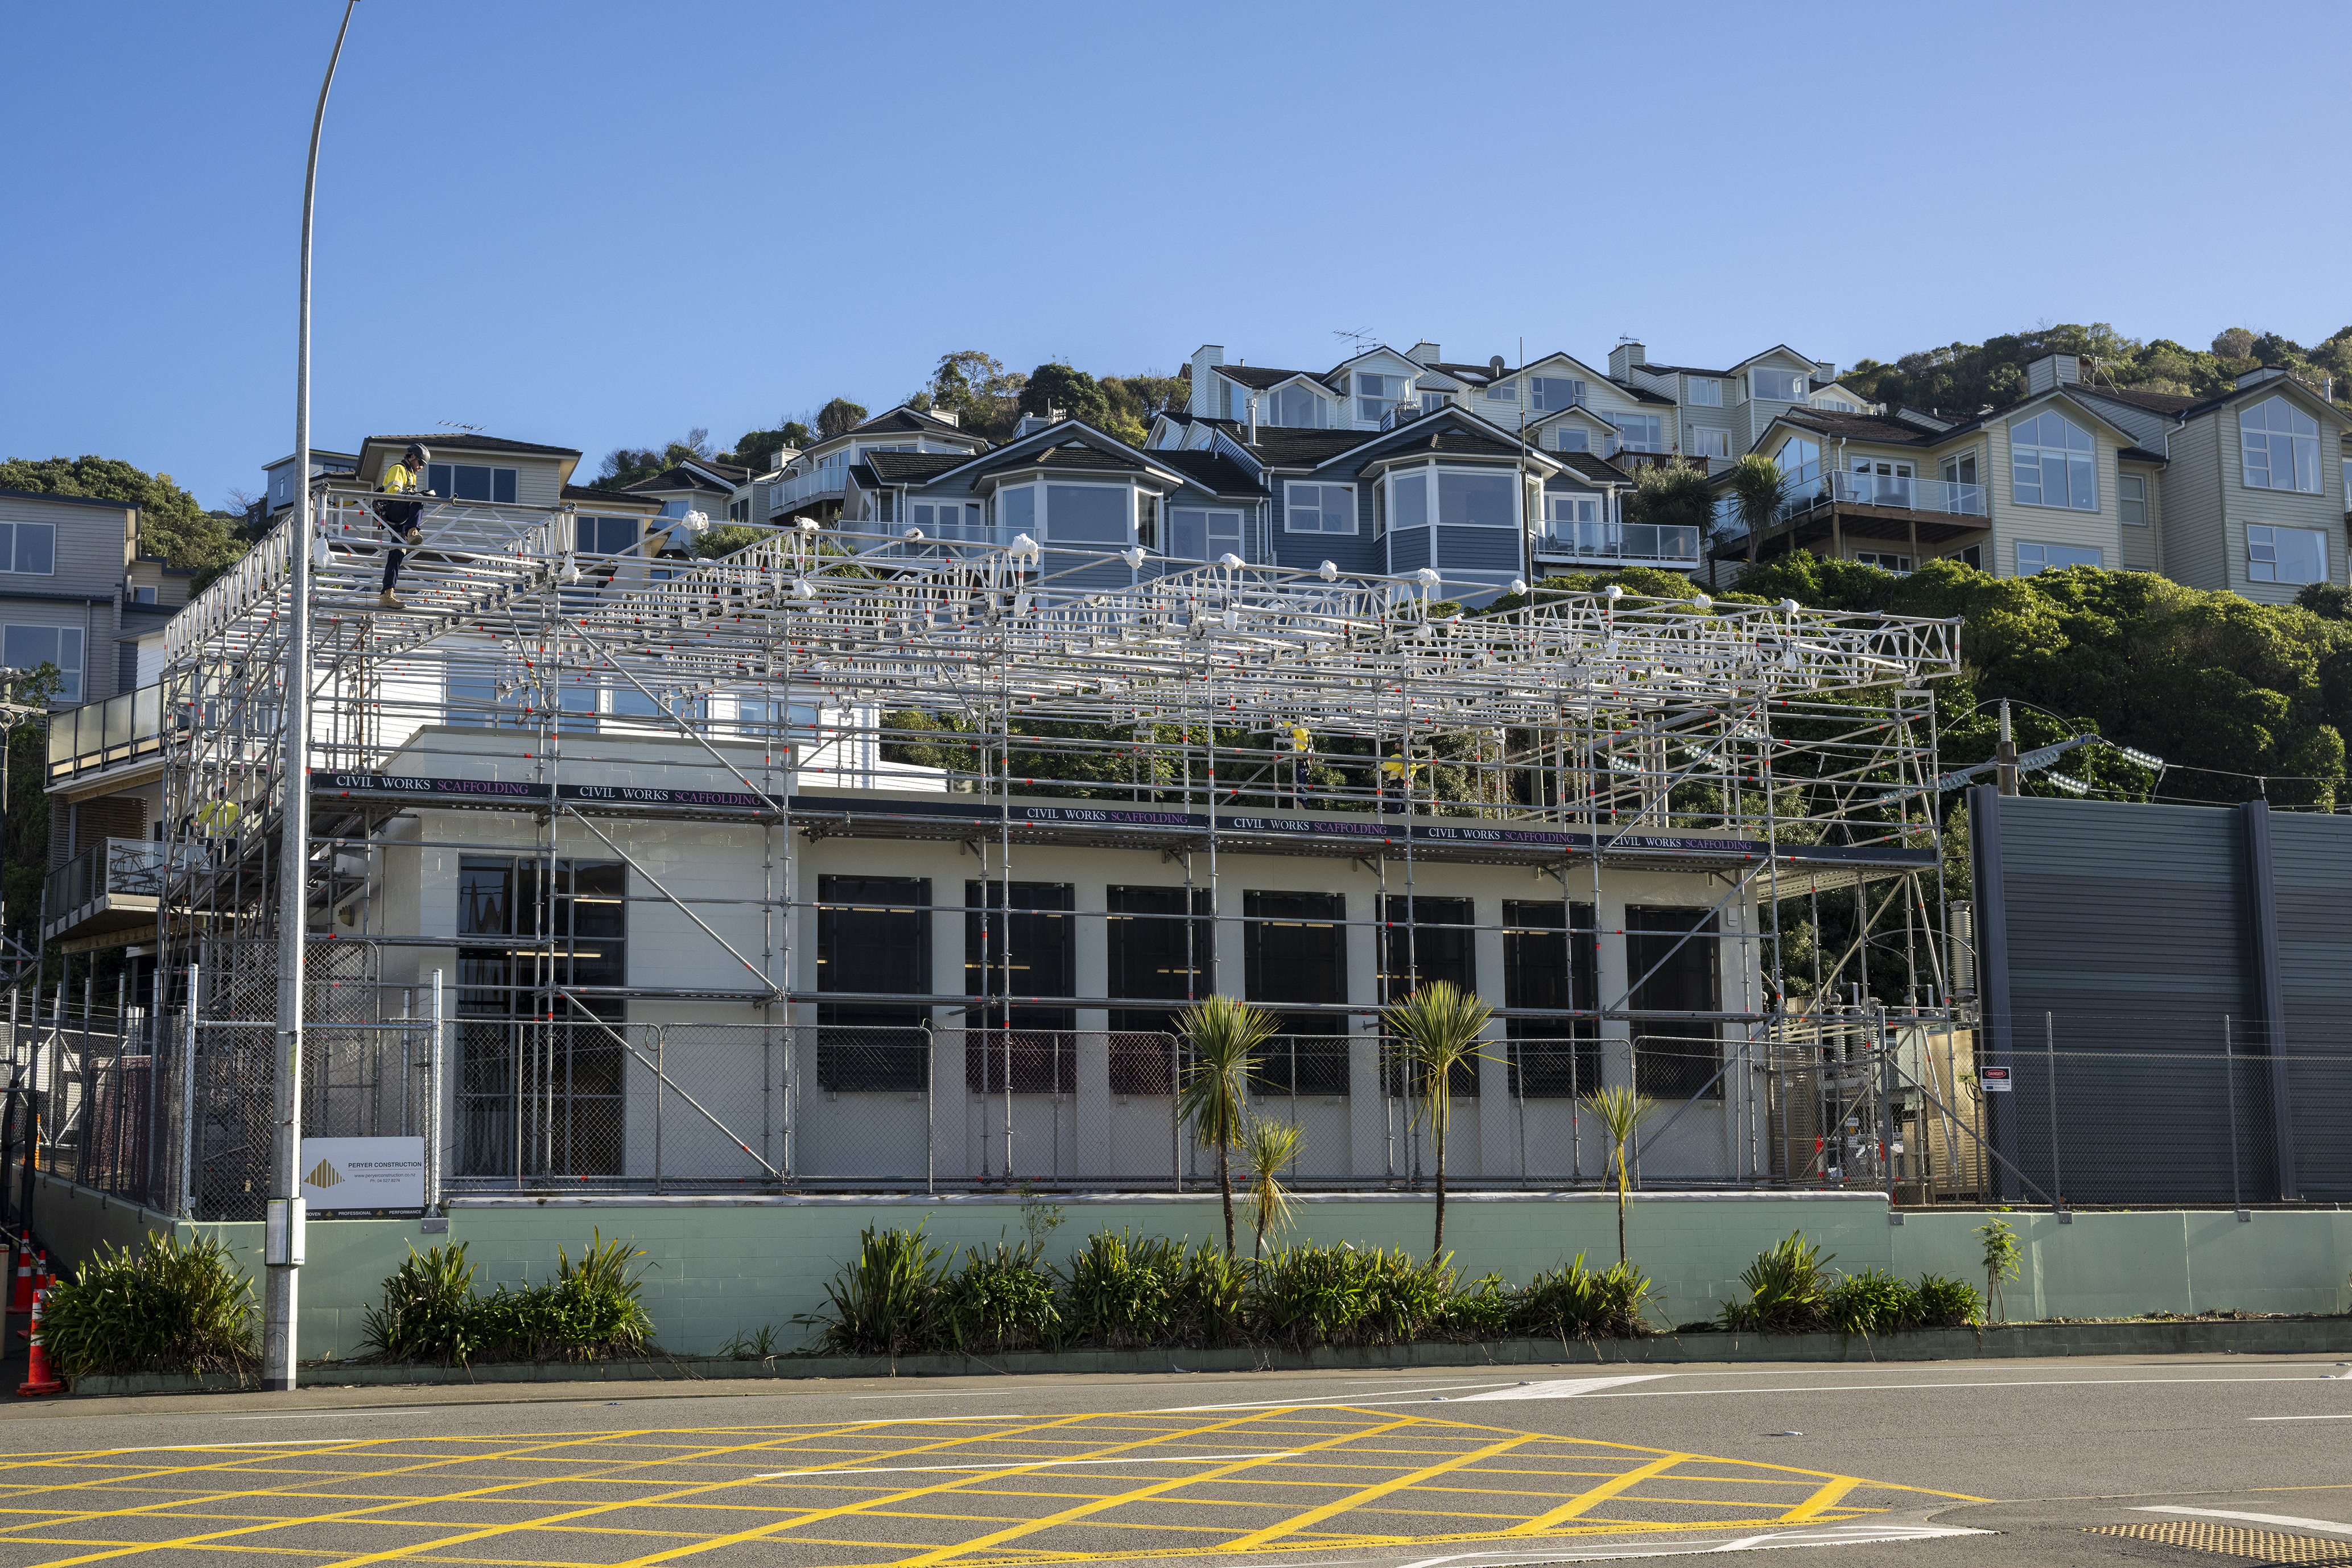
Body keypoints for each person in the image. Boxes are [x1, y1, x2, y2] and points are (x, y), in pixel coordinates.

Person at [372, 443, 430, 609]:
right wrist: (416, 496)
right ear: (411, 457)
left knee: (397, 554)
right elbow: (393, 492)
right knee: (419, 498)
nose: (420, 467)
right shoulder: (398, 469)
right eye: (420, 463)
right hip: (392, 510)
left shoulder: (412, 475)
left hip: (400, 517)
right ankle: (413, 531)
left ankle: (386, 594)